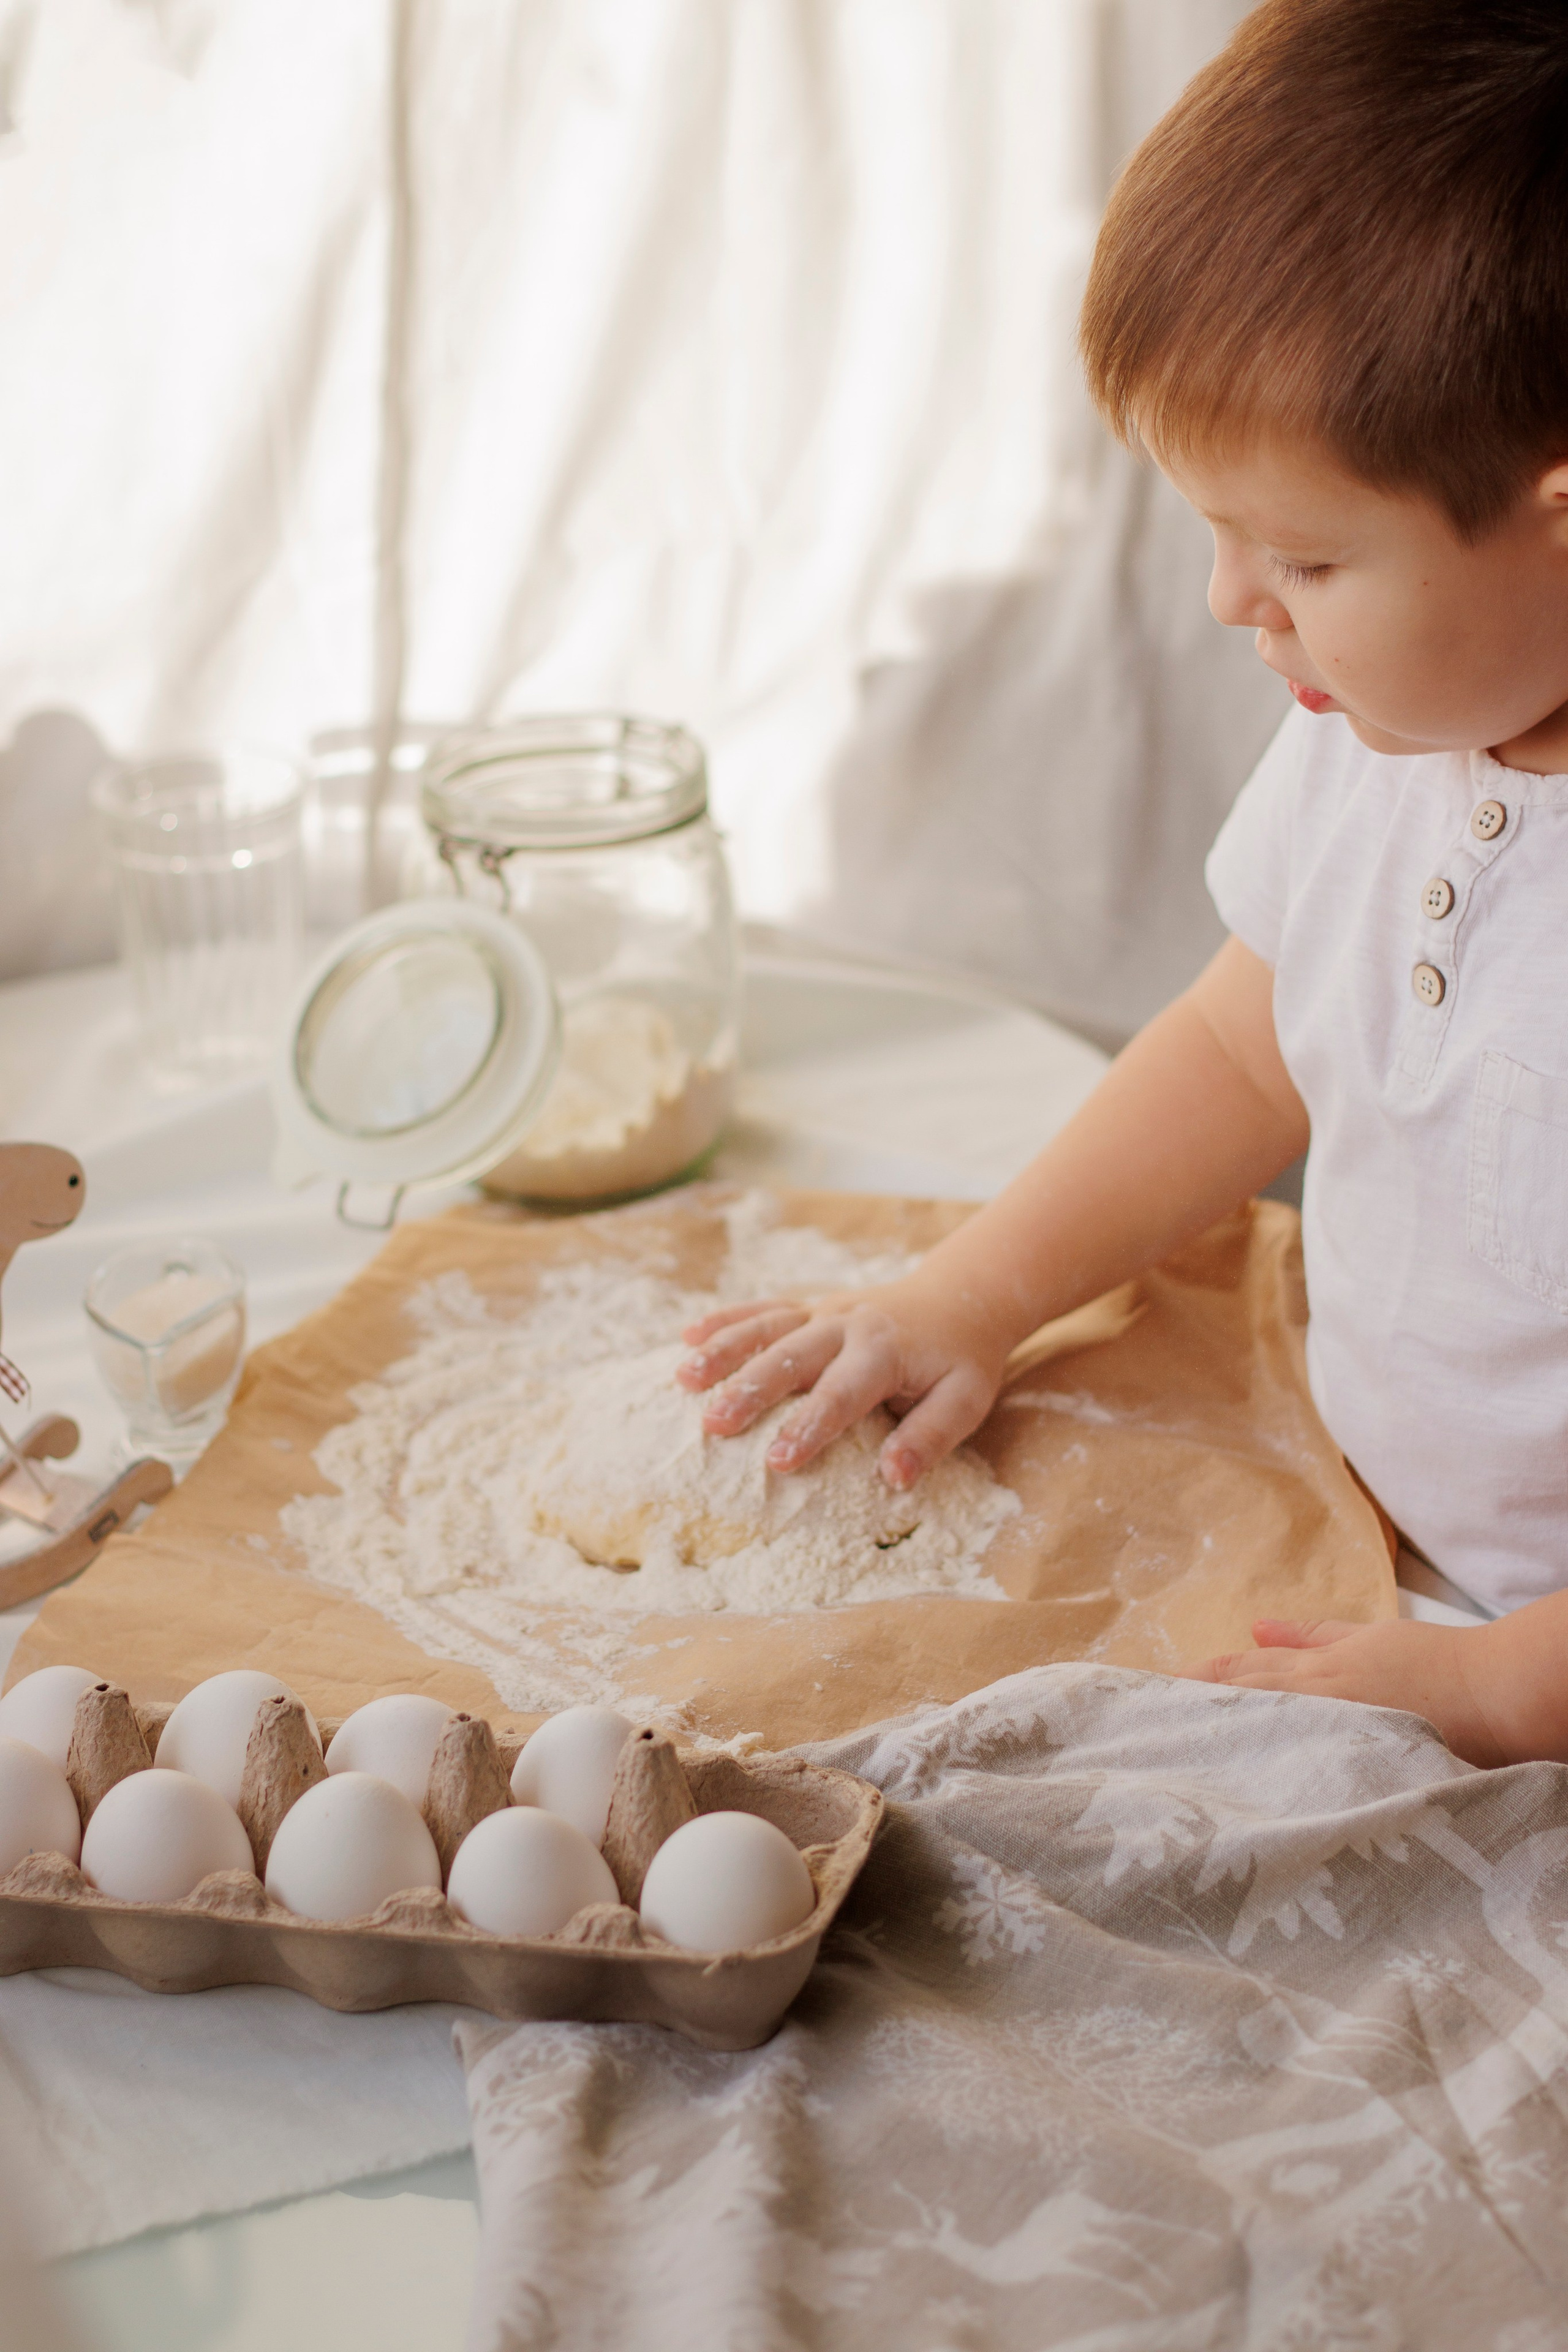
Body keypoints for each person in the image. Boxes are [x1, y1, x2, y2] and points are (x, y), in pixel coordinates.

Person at [677, 0, 1568, 1771]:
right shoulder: (1378, 730)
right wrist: (977, 1294)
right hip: (1360, 1527)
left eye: (1306, 553)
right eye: (1212, 529)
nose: (1234, 600)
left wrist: (1510, 1687)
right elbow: (1252, 1049)